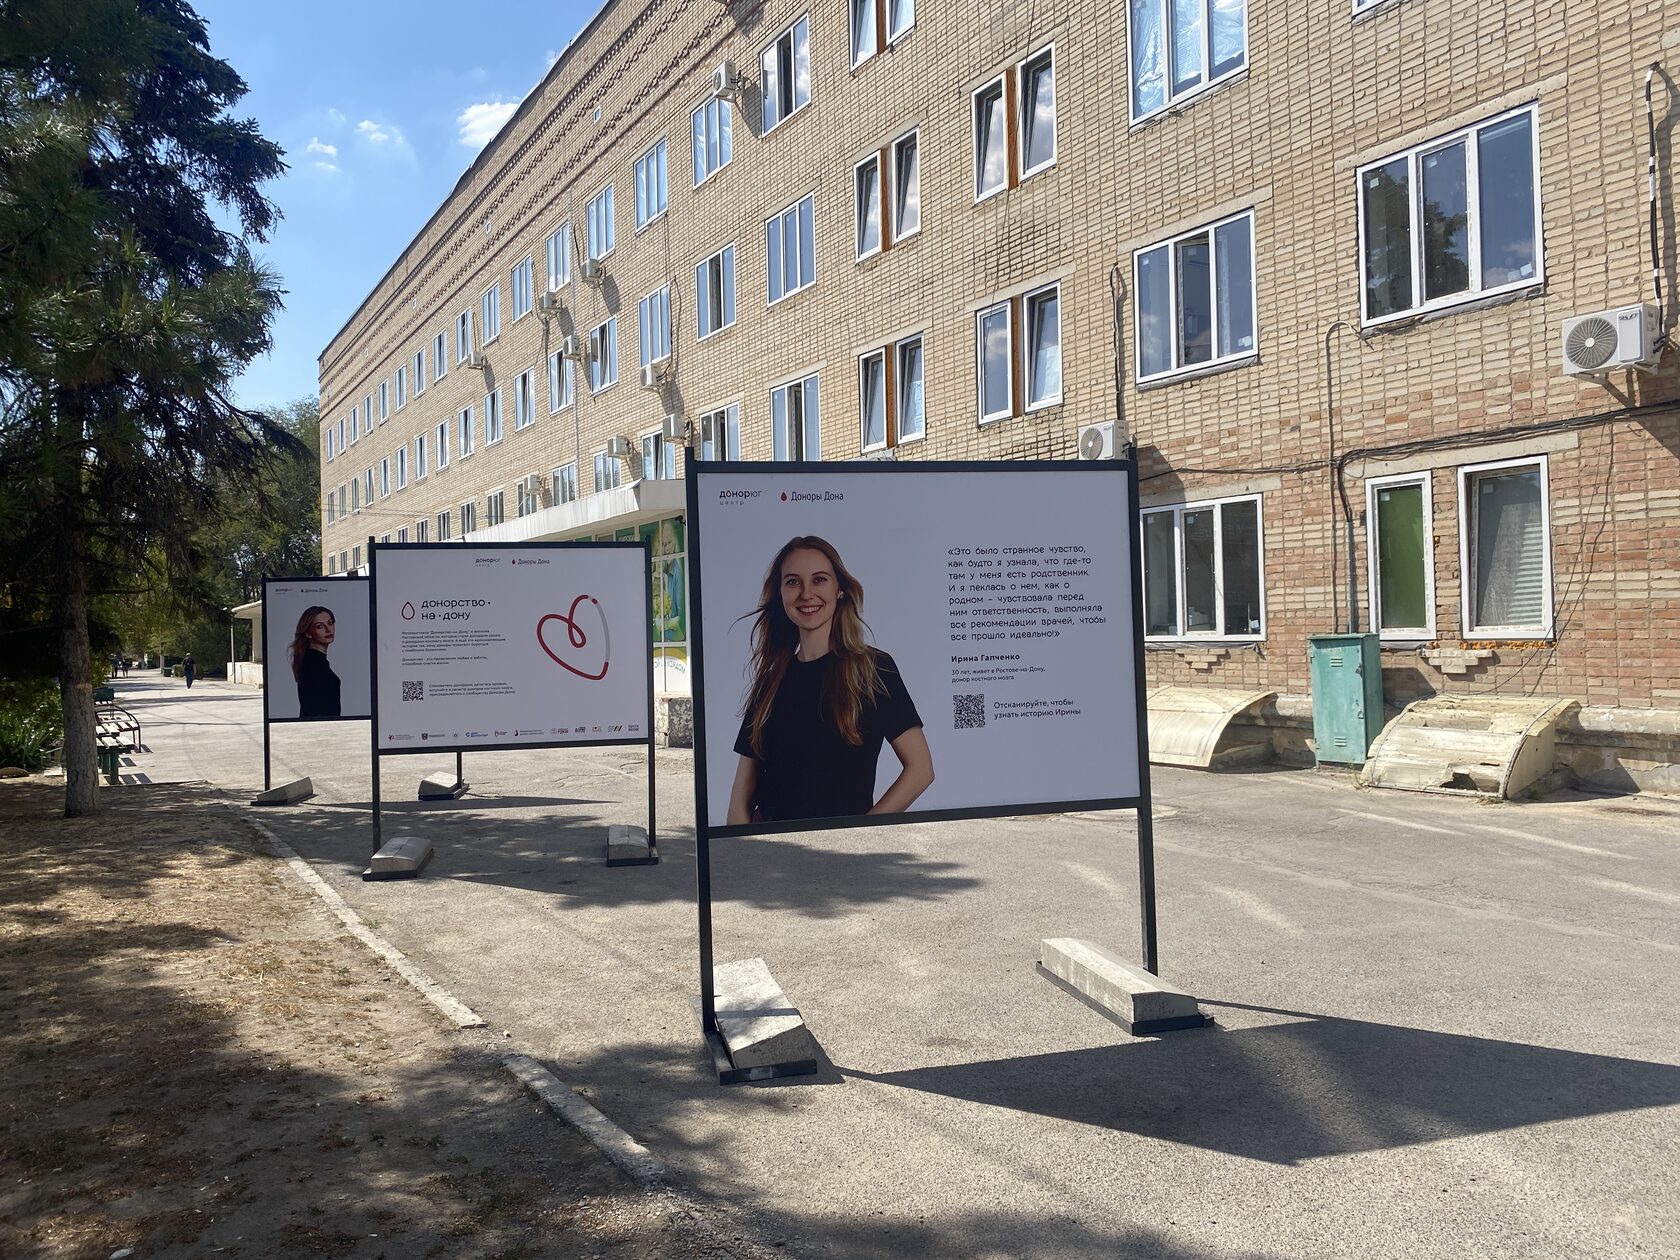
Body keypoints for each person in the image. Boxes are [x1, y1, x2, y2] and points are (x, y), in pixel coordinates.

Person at [727, 536, 933, 826]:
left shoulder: (873, 669)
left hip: (843, 849)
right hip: (770, 844)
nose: (807, 593)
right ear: (780, 593)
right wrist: (741, 851)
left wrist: (861, 834)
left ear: (840, 590)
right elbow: (740, 798)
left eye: (819, 580)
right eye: (793, 582)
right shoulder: (771, 680)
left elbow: (921, 770)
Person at [290, 605, 342, 719]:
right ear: (308, 633)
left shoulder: (312, 660)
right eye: (319, 626)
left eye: (330, 623)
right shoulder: (312, 664)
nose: (328, 629)